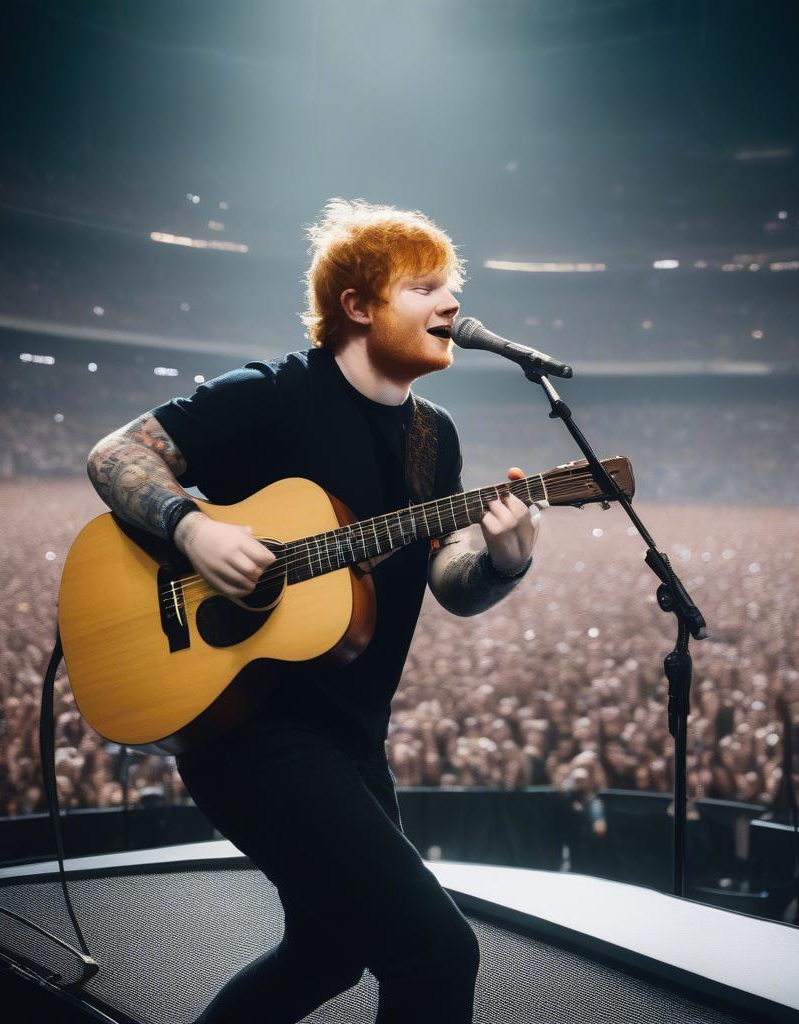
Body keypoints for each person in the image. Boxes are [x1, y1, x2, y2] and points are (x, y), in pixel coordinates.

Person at [86, 198, 542, 1023]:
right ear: (358, 306)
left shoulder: (433, 438)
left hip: (353, 734)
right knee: (436, 951)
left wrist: (504, 562)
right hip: (246, 724)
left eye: (453, 287)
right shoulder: (270, 394)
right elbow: (115, 453)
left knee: (329, 951)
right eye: (425, 287)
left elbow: (450, 576)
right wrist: (193, 531)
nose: (451, 305)